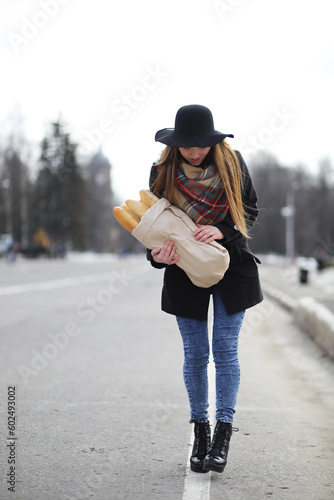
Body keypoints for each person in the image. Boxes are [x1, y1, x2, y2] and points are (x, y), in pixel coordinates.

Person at [146, 104, 263, 474]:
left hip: (232, 267)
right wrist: (157, 256)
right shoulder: (161, 172)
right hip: (183, 269)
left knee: (225, 349)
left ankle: (222, 436)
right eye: (187, 146)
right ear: (175, 143)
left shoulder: (232, 164)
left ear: (212, 141)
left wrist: (222, 231)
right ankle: (200, 433)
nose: (194, 152)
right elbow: (153, 225)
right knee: (196, 354)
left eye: (200, 145)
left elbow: (251, 209)